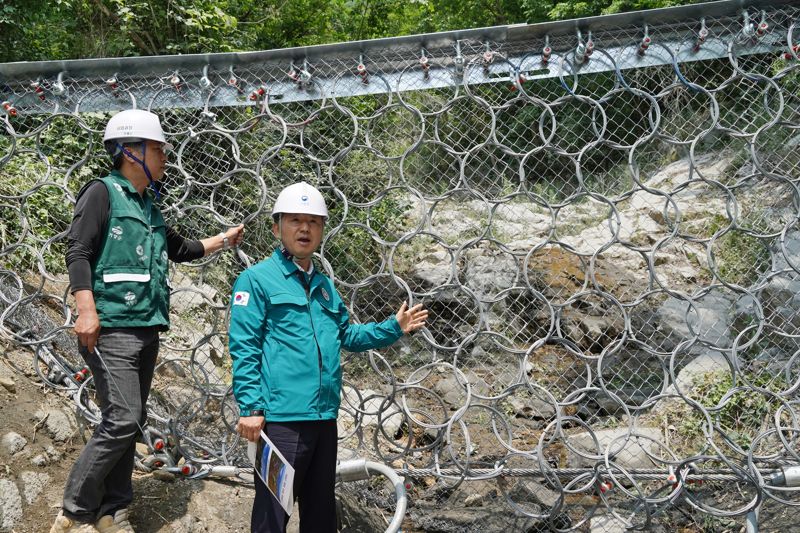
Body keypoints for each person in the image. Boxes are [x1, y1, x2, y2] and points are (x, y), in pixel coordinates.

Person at [51, 109, 245, 533]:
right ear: (129, 150)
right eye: (158, 149)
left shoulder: (149, 206)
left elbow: (181, 249)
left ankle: (113, 511)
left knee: (129, 421)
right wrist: (86, 310)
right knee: (122, 418)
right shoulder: (101, 193)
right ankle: (74, 511)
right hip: (112, 326)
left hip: (145, 327)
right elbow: (78, 251)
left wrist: (224, 239)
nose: (164, 157)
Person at [229, 181, 427, 533]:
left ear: (322, 230)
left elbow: (346, 335)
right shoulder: (255, 281)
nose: (305, 229)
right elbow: (245, 346)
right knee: (272, 514)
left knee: (320, 514)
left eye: (314, 222)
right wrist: (250, 408)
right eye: (295, 220)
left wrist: (394, 327)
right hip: (281, 423)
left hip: (323, 419)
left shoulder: (323, 285)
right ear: (277, 227)